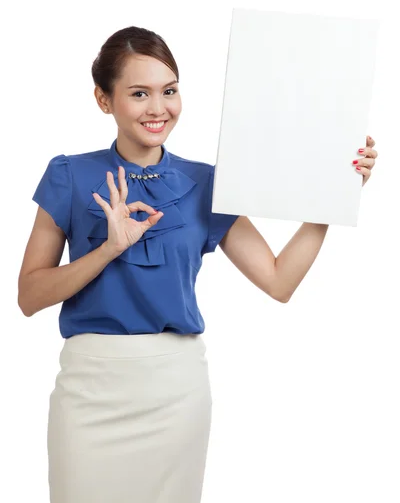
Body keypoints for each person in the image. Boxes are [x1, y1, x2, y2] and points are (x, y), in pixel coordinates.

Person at [18, 26, 378, 503]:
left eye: (169, 91)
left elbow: (279, 280)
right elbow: (29, 296)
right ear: (104, 100)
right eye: (139, 93)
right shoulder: (69, 174)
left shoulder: (206, 183)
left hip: (176, 391)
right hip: (90, 388)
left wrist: (334, 196)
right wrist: (108, 248)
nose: (158, 108)